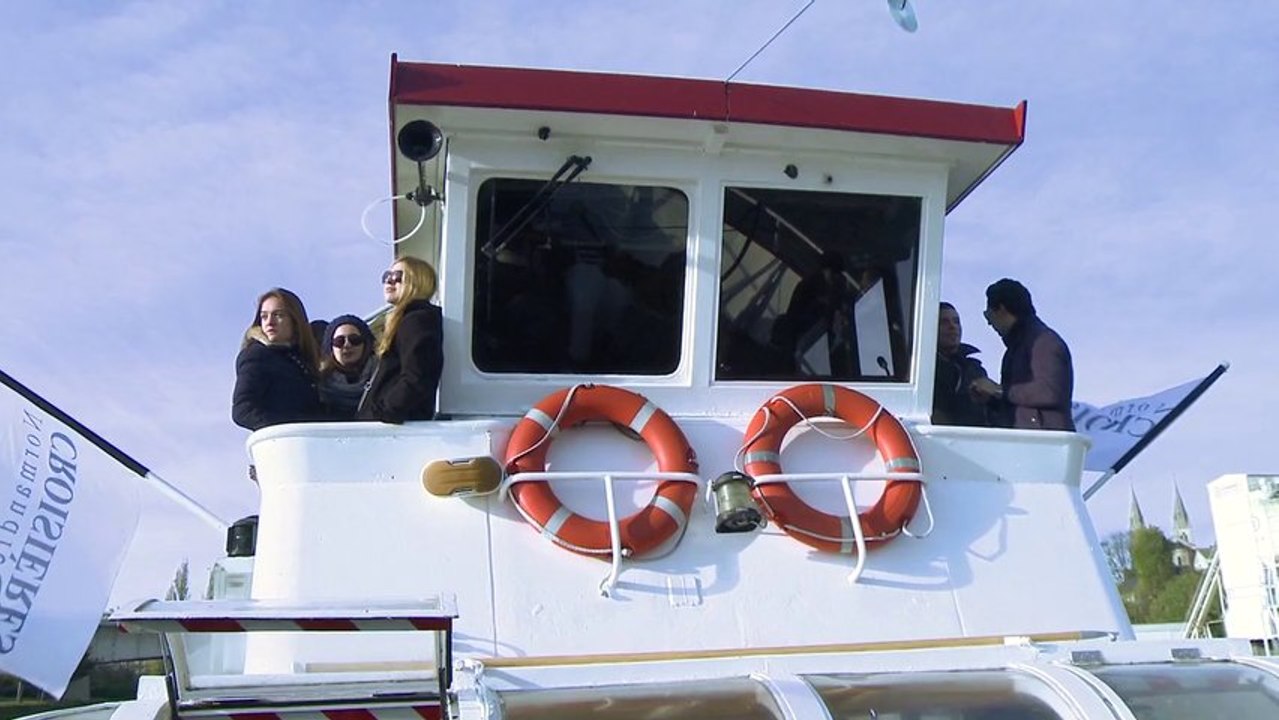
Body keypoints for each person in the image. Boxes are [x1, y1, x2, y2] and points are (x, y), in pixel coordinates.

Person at [971, 278, 1075, 431]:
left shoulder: (1043, 342)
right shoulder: (1017, 348)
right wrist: (991, 400)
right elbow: (1019, 403)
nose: (989, 323)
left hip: (1044, 445)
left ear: (1001, 309)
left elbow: (1050, 392)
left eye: (988, 315)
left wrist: (998, 390)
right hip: (1029, 443)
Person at [358, 256, 444, 423]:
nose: (390, 282)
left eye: (397, 277)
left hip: (396, 428)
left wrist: (384, 412)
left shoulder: (416, 320)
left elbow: (417, 377)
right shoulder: (407, 320)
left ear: (417, 281)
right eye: (387, 277)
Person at [232, 288, 323, 431]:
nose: (269, 322)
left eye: (278, 315)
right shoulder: (257, 356)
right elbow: (243, 410)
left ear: (295, 320)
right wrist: (288, 429)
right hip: (283, 444)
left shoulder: (303, 360)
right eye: (264, 316)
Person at [932, 302, 989, 426]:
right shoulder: (920, 369)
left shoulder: (975, 370)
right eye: (944, 322)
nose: (953, 327)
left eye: (956, 321)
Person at [318, 314, 376, 420]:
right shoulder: (319, 386)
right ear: (330, 348)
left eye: (354, 340)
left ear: (366, 344)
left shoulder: (382, 376)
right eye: (339, 341)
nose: (347, 345)